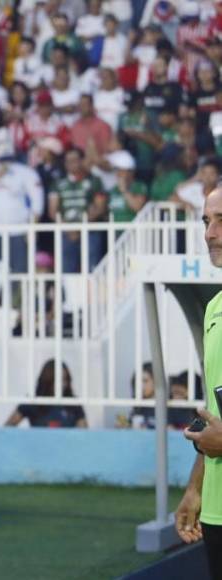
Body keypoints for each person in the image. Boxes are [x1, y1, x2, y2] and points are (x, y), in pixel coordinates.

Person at [178, 186, 222, 579]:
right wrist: (195, 487)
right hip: (216, 510)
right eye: (206, 221)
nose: (210, 233)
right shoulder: (213, 309)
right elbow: (214, 410)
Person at [5, 360, 89, 428]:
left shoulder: (73, 403)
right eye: (58, 380)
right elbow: (7, 429)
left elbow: (84, 435)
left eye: (65, 379)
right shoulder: (33, 401)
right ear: (48, 380)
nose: (62, 384)